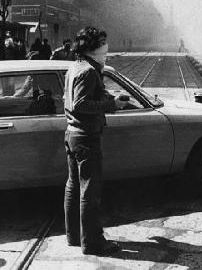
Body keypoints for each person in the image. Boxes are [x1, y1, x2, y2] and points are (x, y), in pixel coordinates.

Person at [63, 26, 128, 256]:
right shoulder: (89, 71)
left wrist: (104, 97)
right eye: (102, 44)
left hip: (72, 134)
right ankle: (93, 243)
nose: (106, 48)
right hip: (86, 136)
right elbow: (80, 104)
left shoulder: (75, 67)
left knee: (73, 186)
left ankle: (73, 237)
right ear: (93, 48)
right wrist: (112, 104)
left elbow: (71, 99)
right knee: (90, 191)